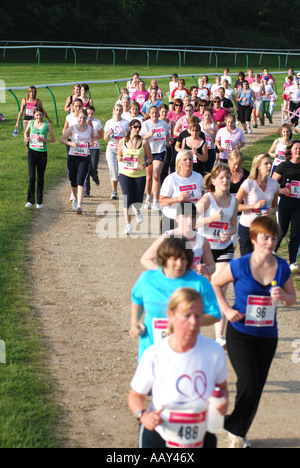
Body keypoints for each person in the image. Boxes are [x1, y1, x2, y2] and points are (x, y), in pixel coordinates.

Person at [212, 216, 296, 448]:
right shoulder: (239, 265)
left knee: (256, 387)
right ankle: (234, 426)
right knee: (248, 381)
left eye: (274, 238)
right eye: (265, 238)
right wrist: (227, 310)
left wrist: (284, 297)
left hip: (267, 336)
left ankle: (238, 432)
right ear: (254, 239)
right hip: (240, 332)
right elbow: (215, 284)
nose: (270, 242)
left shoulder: (281, 267)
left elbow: (292, 299)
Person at [128, 287, 228, 449]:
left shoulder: (214, 351)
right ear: (171, 316)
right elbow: (135, 396)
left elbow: (222, 388)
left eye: (198, 315)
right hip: (159, 436)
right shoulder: (155, 354)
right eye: (187, 316)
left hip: (202, 436)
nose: (194, 322)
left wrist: (222, 401)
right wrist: (143, 415)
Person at [130, 237, 221, 360]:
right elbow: (137, 299)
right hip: (151, 350)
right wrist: (134, 324)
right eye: (175, 259)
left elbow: (214, 314)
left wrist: (189, 320)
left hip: (185, 352)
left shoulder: (199, 282)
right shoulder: (147, 279)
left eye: (183, 259)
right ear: (164, 258)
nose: (179, 264)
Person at [196, 163, 238, 347]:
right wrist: (211, 219)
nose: (225, 180)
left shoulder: (234, 201)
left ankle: (220, 336)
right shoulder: (207, 200)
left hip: (225, 247)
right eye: (221, 177)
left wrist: (230, 232)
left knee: (221, 288)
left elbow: (234, 224)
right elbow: (191, 221)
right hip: (205, 248)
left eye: (228, 177)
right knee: (203, 290)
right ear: (213, 181)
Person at [141, 201, 215, 276]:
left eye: (192, 217)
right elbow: (146, 259)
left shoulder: (202, 241)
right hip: (172, 285)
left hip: (191, 285)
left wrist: (206, 270)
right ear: (177, 218)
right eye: (185, 216)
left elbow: (212, 266)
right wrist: (164, 275)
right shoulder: (167, 237)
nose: (189, 221)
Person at [236, 153, 279, 256]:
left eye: (270, 163)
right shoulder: (248, 183)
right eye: (266, 164)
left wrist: (272, 211)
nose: (269, 166)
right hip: (247, 228)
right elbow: (235, 206)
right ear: (258, 166)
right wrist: (253, 206)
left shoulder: (274, 184)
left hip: (264, 228)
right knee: (247, 262)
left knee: (261, 261)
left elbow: (275, 206)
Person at [116, 119, 152, 235]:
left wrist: (145, 164)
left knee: (138, 200)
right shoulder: (122, 141)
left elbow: (150, 158)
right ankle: (128, 225)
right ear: (130, 128)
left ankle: (137, 211)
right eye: (135, 127)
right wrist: (119, 158)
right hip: (125, 173)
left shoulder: (144, 142)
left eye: (139, 127)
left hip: (139, 174)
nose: (137, 129)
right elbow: (118, 154)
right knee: (127, 198)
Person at [60, 108, 97, 214]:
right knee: (73, 180)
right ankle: (75, 199)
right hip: (73, 156)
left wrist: (93, 142)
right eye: (80, 117)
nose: (82, 120)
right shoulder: (72, 128)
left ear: (87, 118)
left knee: (81, 180)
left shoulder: (90, 128)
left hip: (84, 157)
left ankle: (79, 205)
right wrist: (71, 143)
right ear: (77, 117)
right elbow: (62, 139)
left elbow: (92, 138)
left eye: (84, 118)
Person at [159, 150, 204, 233]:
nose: (188, 162)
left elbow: (203, 196)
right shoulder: (171, 179)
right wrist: (177, 199)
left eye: (190, 159)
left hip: (192, 221)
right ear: (178, 162)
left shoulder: (198, 177)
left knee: (191, 246)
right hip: (172, 220)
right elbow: (162, 202)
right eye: (185, 159)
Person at [272, 140, 300, 273]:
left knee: (296, 233)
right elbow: (272, 184)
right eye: (296, 148)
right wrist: (281, 190)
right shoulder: (283, 166)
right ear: (290, 150)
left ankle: (293, 262)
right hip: (285, 203)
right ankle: (270, 255)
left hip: (298, 205)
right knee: (281, 232)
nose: (298, 151)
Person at [23, 106, 55, 209]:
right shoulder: (30, 123)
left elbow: (53, 139)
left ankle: (39, 201)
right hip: (32, 152)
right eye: (37, 115)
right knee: (32, 176)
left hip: (42, 153)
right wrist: (26, 138)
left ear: (43, 115)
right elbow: (25, 132)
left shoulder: (47, 125)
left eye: (41, 115)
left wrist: (44, 140)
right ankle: (30, 200)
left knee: (40, 177)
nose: (39, 117)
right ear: (34, 115)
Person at [140, 106, 170, 211]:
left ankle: (156, 201)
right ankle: (148, 197)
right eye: (152, 112)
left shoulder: (164, 124)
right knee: (148, 177)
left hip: (160, 151)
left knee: (156, 175)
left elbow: (167, 136)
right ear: (149, 114)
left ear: (158, 114)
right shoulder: (145, 124)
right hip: (148, 152)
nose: (154, 114)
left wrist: (168, 142)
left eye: (156, 112)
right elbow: (140, 139)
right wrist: (149, 135)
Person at [103, 104, 129, 200]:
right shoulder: (109, 123)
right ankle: (114, 191)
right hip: (111, 149)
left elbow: (128, 136)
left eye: (120, 110)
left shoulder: (126, 123)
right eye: (116, 110)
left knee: (122, 170)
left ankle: (125, 190)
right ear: (114, 111)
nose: (118, 112)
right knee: (113, 170)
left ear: (122, 112)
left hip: (122, 150)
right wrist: (108, 134)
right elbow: (105, 139)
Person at [228, 150, 250, 248]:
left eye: (239, 164)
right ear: (229, 161)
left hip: (243, 212)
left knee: (244, 241)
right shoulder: (223, 173)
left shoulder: (247, 175)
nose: (236, 167)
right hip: (227, 212)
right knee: (230, 241)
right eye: (234, 164)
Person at [84, 105, 103, 196]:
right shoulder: (83, 121)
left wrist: (93, 138)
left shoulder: (97, 122)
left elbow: (101, 135)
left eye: (92, 113)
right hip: (85, 147)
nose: (90, 115)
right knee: (86, 169)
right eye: (88, 113)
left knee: (93, 168)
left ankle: (95, 177)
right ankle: (87, 190)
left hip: (94, 148)